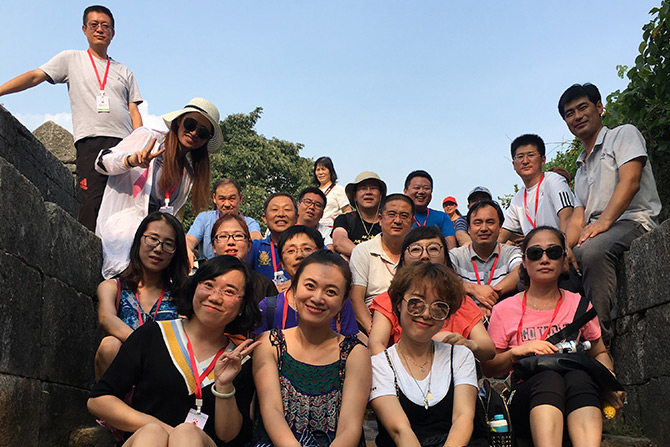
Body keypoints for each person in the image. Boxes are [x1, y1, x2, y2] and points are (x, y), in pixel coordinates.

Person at [88, 256, 262, 447]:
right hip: (147, 441)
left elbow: (230, 437)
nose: (214, 297)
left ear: (242, 306)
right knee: (153, 433)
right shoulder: (153, 335)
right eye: (208, 285)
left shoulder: (238, 361)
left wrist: (224, 386)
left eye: (229, 291)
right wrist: (165, 430)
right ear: (194, 287)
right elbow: (99, 400)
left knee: (188, 434)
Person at [0, 5, 143, 231]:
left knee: (124, 208)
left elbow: (133, 110)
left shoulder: (124, 71)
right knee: (92, 204)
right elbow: (35, 76)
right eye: (94, 25)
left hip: (124, 145)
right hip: (90, 142)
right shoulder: (71, 59)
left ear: (113, 33)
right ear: (84, 29)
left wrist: (139, 144)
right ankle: (88, 252)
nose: (100, 30)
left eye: (105, 26)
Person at [482, 226, 624, 447]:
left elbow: (599, 353)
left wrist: (609, 379)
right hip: (525, 399)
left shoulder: (580, 306)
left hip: (575, 395)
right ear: (524, 261)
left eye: (554, 252)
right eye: (535, 253)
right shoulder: (504, 310)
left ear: (564, 259)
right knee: (549, 379)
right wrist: (516, 353)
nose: (545, 259)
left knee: (580, 378)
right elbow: (490, 368)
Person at [558, 83, 661, 342]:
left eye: (582, 107)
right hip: (597, 231)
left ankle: (599, 341)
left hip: (633, 220)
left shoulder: (623, 135)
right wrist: (565, 248)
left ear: (599, 107)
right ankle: (563, 340)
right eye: (569, 113)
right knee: (555, 265)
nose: (577, 116)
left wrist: (603, 222)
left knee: (592, 251)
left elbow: (631, 181)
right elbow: (578, 216)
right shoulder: (580, 167)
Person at [250, 250, 371, 446]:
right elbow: (272, 411)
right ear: (294, 288)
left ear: (343, 302)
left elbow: (350, 427)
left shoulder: (354, 353)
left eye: (331, 292)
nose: (317, 298)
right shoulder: (271, 343)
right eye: (310, 286)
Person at [95, 97, 223, 279]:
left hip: (156, 242)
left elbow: (174, 216)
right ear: (178, 122)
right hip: (124, 231)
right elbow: (102, 161)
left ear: (205, 140)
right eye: (190, 124)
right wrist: (131, 160)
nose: (194, 133)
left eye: (202, 132)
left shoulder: (188, 173)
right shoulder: (149, 138)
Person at [370, 262, 483, 447]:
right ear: (398, 304)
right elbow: (399, 430)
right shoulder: (380, 364)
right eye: (416, 303)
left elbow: (463, 418)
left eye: (439, 307)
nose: (426, 314)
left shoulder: (460, 356)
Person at [368, 226, 495, 362]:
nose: (424, 256)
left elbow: (488, 348)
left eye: (433, 249)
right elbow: (376, 344)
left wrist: (467, 344)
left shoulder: (461, 301)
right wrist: (398, 371)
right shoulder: (391, 298)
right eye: (416, 249)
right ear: (403, 260)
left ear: (445, 259)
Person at [94, 212, 189, 380]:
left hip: (162, 374)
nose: (158, 249)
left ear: (176, 252)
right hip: (123, 373)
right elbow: (106, 318)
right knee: (109, 345)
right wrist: (146, 349)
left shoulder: (181, 295)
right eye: (152, 239)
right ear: (139, 240)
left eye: (168, 244)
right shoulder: (112, 287)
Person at [254, 226, 358, 336]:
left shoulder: (336, 301)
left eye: (307, 249)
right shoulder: (268, 307)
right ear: (282, 263)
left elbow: (349, 339)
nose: (299, 255)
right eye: (291, 251)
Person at [350, 194, 414, 334]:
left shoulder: (418, 254)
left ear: (412, 222)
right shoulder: (363, 251)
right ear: (380, 219)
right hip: (372, 324)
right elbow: (356, 298)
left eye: (404, 216)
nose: (397, 221)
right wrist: (375, 333)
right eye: (391, 214)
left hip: (411, 326)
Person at [449, 200, 522, 317]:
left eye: (490, 222)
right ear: (469, 229)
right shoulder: (455, 255)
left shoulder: (511, 252)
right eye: (477, 223)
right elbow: (442, 278)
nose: (484, 228)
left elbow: (519, 272)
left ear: (500, 227)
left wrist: (488, 295)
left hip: (505, 318)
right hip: (464, 320)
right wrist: (473, 289)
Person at [499, 134, 575, 244]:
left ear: (543, 160)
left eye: (531, 155)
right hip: (536, 252)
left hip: (559, 247)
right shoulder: (518, 198)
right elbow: (503, 235)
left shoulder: (553, 180)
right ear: (514, 165)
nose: (525, 161)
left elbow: (567, 216)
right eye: (520, 157)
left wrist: (564, 248)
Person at [187, 178, 262, 266]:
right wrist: (187, 249)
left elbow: (256, 238)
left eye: (232, 199)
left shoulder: (250, 223)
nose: (227, 204)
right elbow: (189, 239)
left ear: (240, 198)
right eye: (222, 199)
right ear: (214, 198)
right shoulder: (204, 218)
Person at [210, 213, 277, 305]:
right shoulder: (201, 280)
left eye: (238, 236)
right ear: (213, 246)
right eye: (223, 236)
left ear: (249, 245)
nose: (231, 242)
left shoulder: (264, 286)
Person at [247, 193, 298, 289]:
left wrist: (298, 283)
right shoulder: (254, 248)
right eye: (275, 209)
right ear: (264, 218)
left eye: (287, 209)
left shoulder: (309, 246)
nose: (281, 214)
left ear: (297, 218)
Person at [332, 171, 386, 259]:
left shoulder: (387, 221)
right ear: (355, 196)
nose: (368, 192)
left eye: (373, 188)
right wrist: (366, 257)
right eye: (363, 188)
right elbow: (339, 241)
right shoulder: (344, 219)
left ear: (380, 195)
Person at [403, 170, 456, 248]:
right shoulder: (397, 218)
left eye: (426, 188)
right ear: (405, 191)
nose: (421, 192)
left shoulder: (442, 217)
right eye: (416, 188)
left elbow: (451, 249)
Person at [313, 156, 352, 228]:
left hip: (331, 229)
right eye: (318, 170)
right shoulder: (314, 192)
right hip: (314, 228)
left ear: (330, 171)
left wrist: (339, 220)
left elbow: (348, 211)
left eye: (323, 169)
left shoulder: (337, 189)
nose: (320, 172)